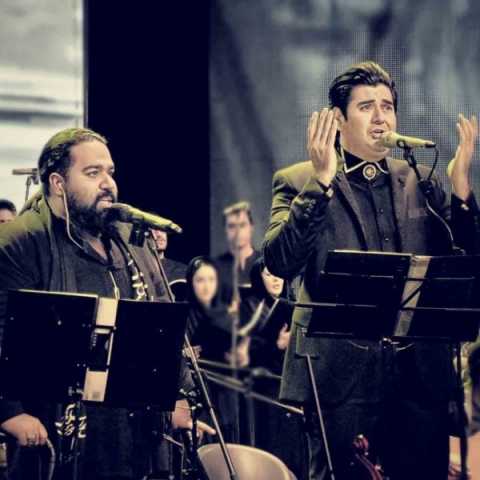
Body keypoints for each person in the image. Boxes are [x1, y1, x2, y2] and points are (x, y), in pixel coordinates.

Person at [263, 61, 480, 479]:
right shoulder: (297, 180)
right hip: (339, 380)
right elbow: (280, 260)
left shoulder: (420, 178)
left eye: (387, 106)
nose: (381, 117)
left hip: (418, 379)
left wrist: (461, 190)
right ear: (338, 120)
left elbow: (467, 264)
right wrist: (321, 183)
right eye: (366, 107)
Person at [0, 127, 212, 480]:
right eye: (92, 172)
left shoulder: (129, 239)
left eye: (110, 172)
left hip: (132, 434)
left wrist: (176, 396)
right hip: (60, 432)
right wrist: (9, 412)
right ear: (57, 183)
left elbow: (161, 325)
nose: (107, 183)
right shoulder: (21, 242)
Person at [215, 201, 262, 306]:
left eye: (242, 225)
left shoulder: (265, 264)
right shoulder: (215, 267)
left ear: (251, 227)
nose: (238, 232)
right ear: (225, 229)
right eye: (232, 226)